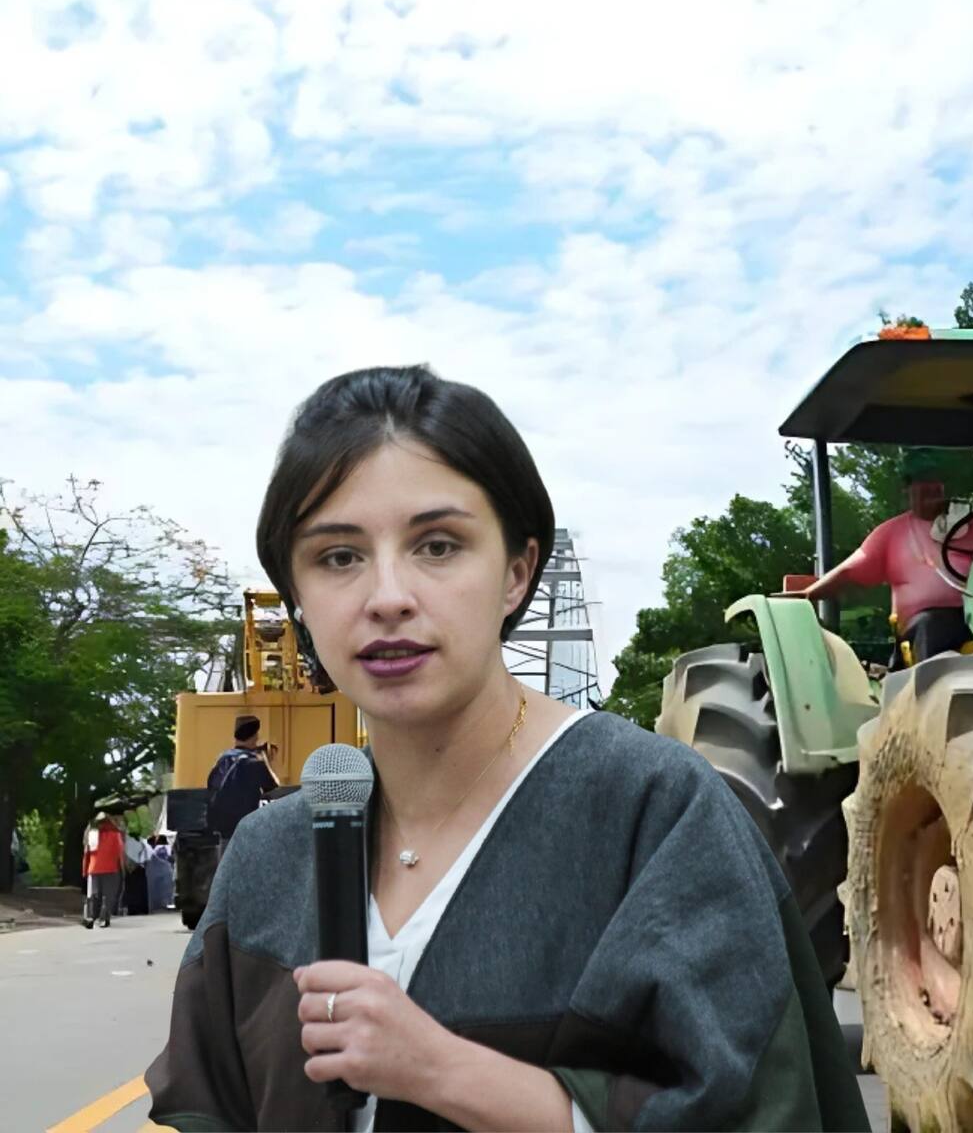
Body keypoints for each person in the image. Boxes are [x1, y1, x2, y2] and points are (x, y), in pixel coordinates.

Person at [147, 366, 869, 1132]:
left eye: (437, 545)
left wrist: (439, 1070)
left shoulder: (654, 813)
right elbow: (204, 1108)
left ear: (517, 571)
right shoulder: (265, 860)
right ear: (296, 595)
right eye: (338, 557)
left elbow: (757, 1112)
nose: (387, 596)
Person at [802, 447, 973, 664]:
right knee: (935, 625)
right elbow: (849, 572)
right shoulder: (891, 534)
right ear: (906, 489)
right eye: (923, 480)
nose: (933, 487)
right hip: (926, 628)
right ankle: (935, 691)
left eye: (937, 480)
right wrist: (806, 595)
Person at [205, 713, 281, 842]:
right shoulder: (254, 762)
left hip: (223, 828)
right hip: (246, 828)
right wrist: (265, 758)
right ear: (255, 736)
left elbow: (211, 784)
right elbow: (273, 786)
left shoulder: (223, 758)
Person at [82, 813, 125, 930]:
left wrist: (85, 870)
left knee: (95, 895)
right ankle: (104, 918)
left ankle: (92, 917)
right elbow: (119, 853)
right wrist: (123, 869)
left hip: (94, 869)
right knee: (108, 896)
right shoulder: (115, 834)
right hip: (111, 869)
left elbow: (87, 853)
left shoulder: (92, 834)